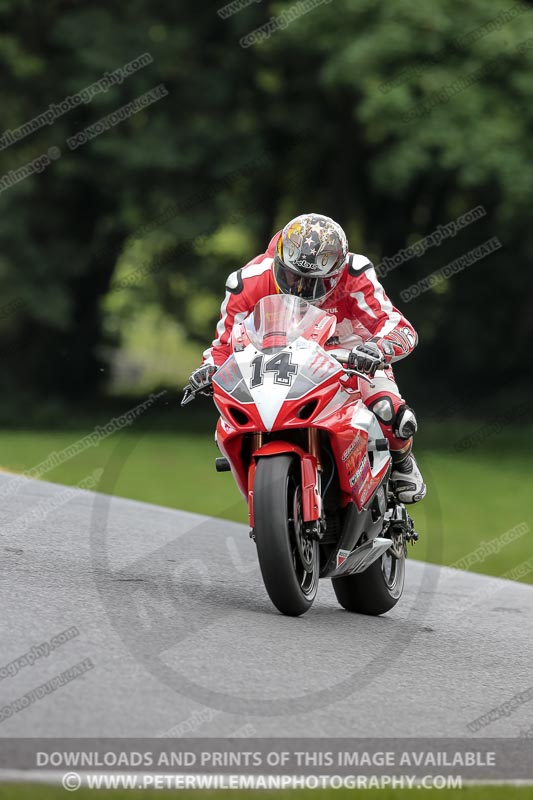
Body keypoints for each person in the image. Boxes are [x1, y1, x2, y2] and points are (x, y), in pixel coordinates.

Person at [189, 213, 426, 503]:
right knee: (231, 422)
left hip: (351, 354)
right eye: (291, 276)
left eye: (313, 282)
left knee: (390, 412)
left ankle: (404, 463)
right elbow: (224, 342)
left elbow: (397, 325)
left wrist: (377, 348)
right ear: (279, 261)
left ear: (336, 273)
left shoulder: (355, 272)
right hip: (278, 359)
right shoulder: (246, 281)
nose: (299, 289)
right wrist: (208, 369)